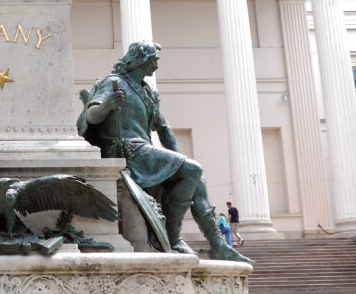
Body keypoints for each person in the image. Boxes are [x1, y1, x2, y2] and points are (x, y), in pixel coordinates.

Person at [78, 41, 250, 263]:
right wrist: (108, 104)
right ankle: (172, 238)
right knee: (192, 170)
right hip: (127, 151)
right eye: (154, 60)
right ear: (140, 59)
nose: (156, 66)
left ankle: (218, 246)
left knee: (197, 178)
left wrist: (181, 163)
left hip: (144, 151)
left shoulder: (148, 93)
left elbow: (165, 130)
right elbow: (92, 117)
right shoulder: (112, 83)